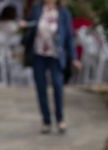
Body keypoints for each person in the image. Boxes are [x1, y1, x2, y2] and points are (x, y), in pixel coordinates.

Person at [21, 0, 80, 134]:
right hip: (38, 54)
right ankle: (46, 121)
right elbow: (31, 26)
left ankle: (60, 119)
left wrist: (74, 57)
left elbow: (69, 37)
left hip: (56, 55)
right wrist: (25, 26)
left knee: (58, 85)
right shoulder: (37, 9)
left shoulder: (64, 13)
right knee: (41, 88)